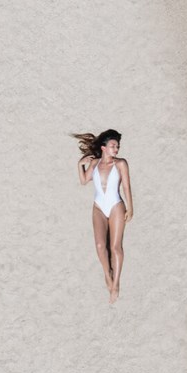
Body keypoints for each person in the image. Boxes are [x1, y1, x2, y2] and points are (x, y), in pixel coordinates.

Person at [72, 130, 133, 303]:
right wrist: (80, 165)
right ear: (103, 147)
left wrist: (131, 208)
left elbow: (127, 187)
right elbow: (84, 181)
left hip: (116, 206)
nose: (116, 149)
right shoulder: (95, 164)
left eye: (117, 146)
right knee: (100, 245)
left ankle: (116, 283)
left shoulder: (121, 164)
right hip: (98, 207)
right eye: (113, 146)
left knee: (115, 247)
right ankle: (108, 275)